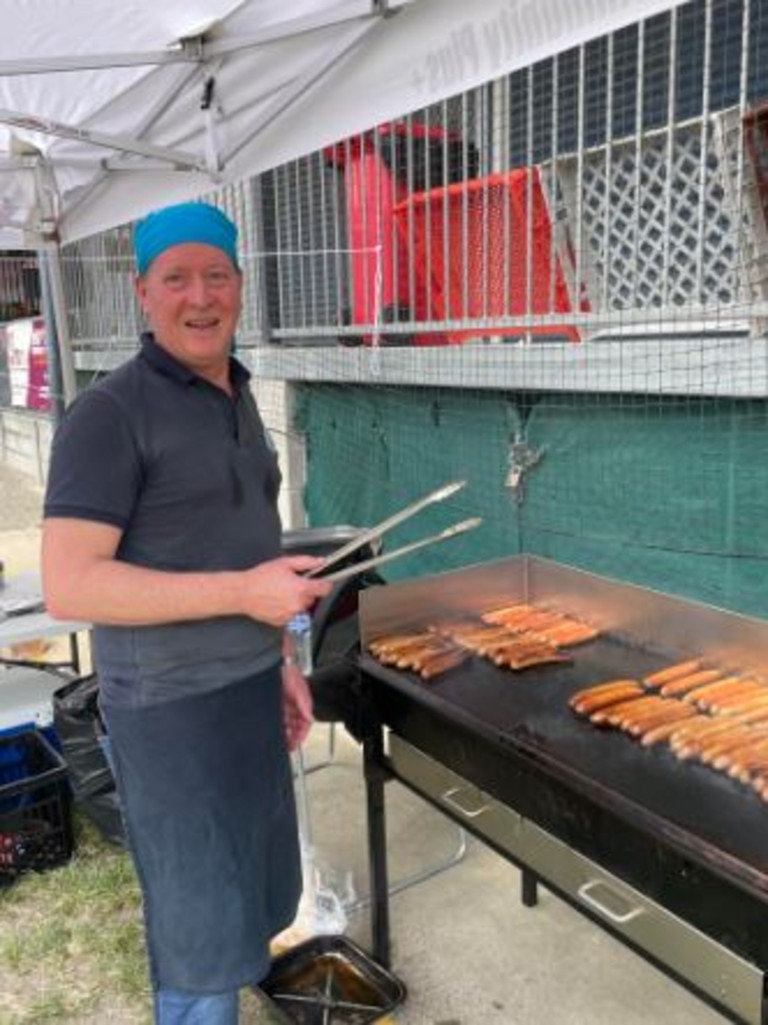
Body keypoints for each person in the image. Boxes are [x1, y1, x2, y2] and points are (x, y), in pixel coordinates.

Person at [41, 201, 333, 1025]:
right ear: (143, 291)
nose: (198, 296)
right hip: (169, 713)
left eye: (216, 275)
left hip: (246, 692)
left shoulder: (239, 393)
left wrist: (275, 657)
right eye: (177, 278)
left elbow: (235, 543)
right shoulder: (110, 415)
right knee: (199, 931)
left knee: (253, 899)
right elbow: (71, 583)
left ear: (241, 285)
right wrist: (244, 596)